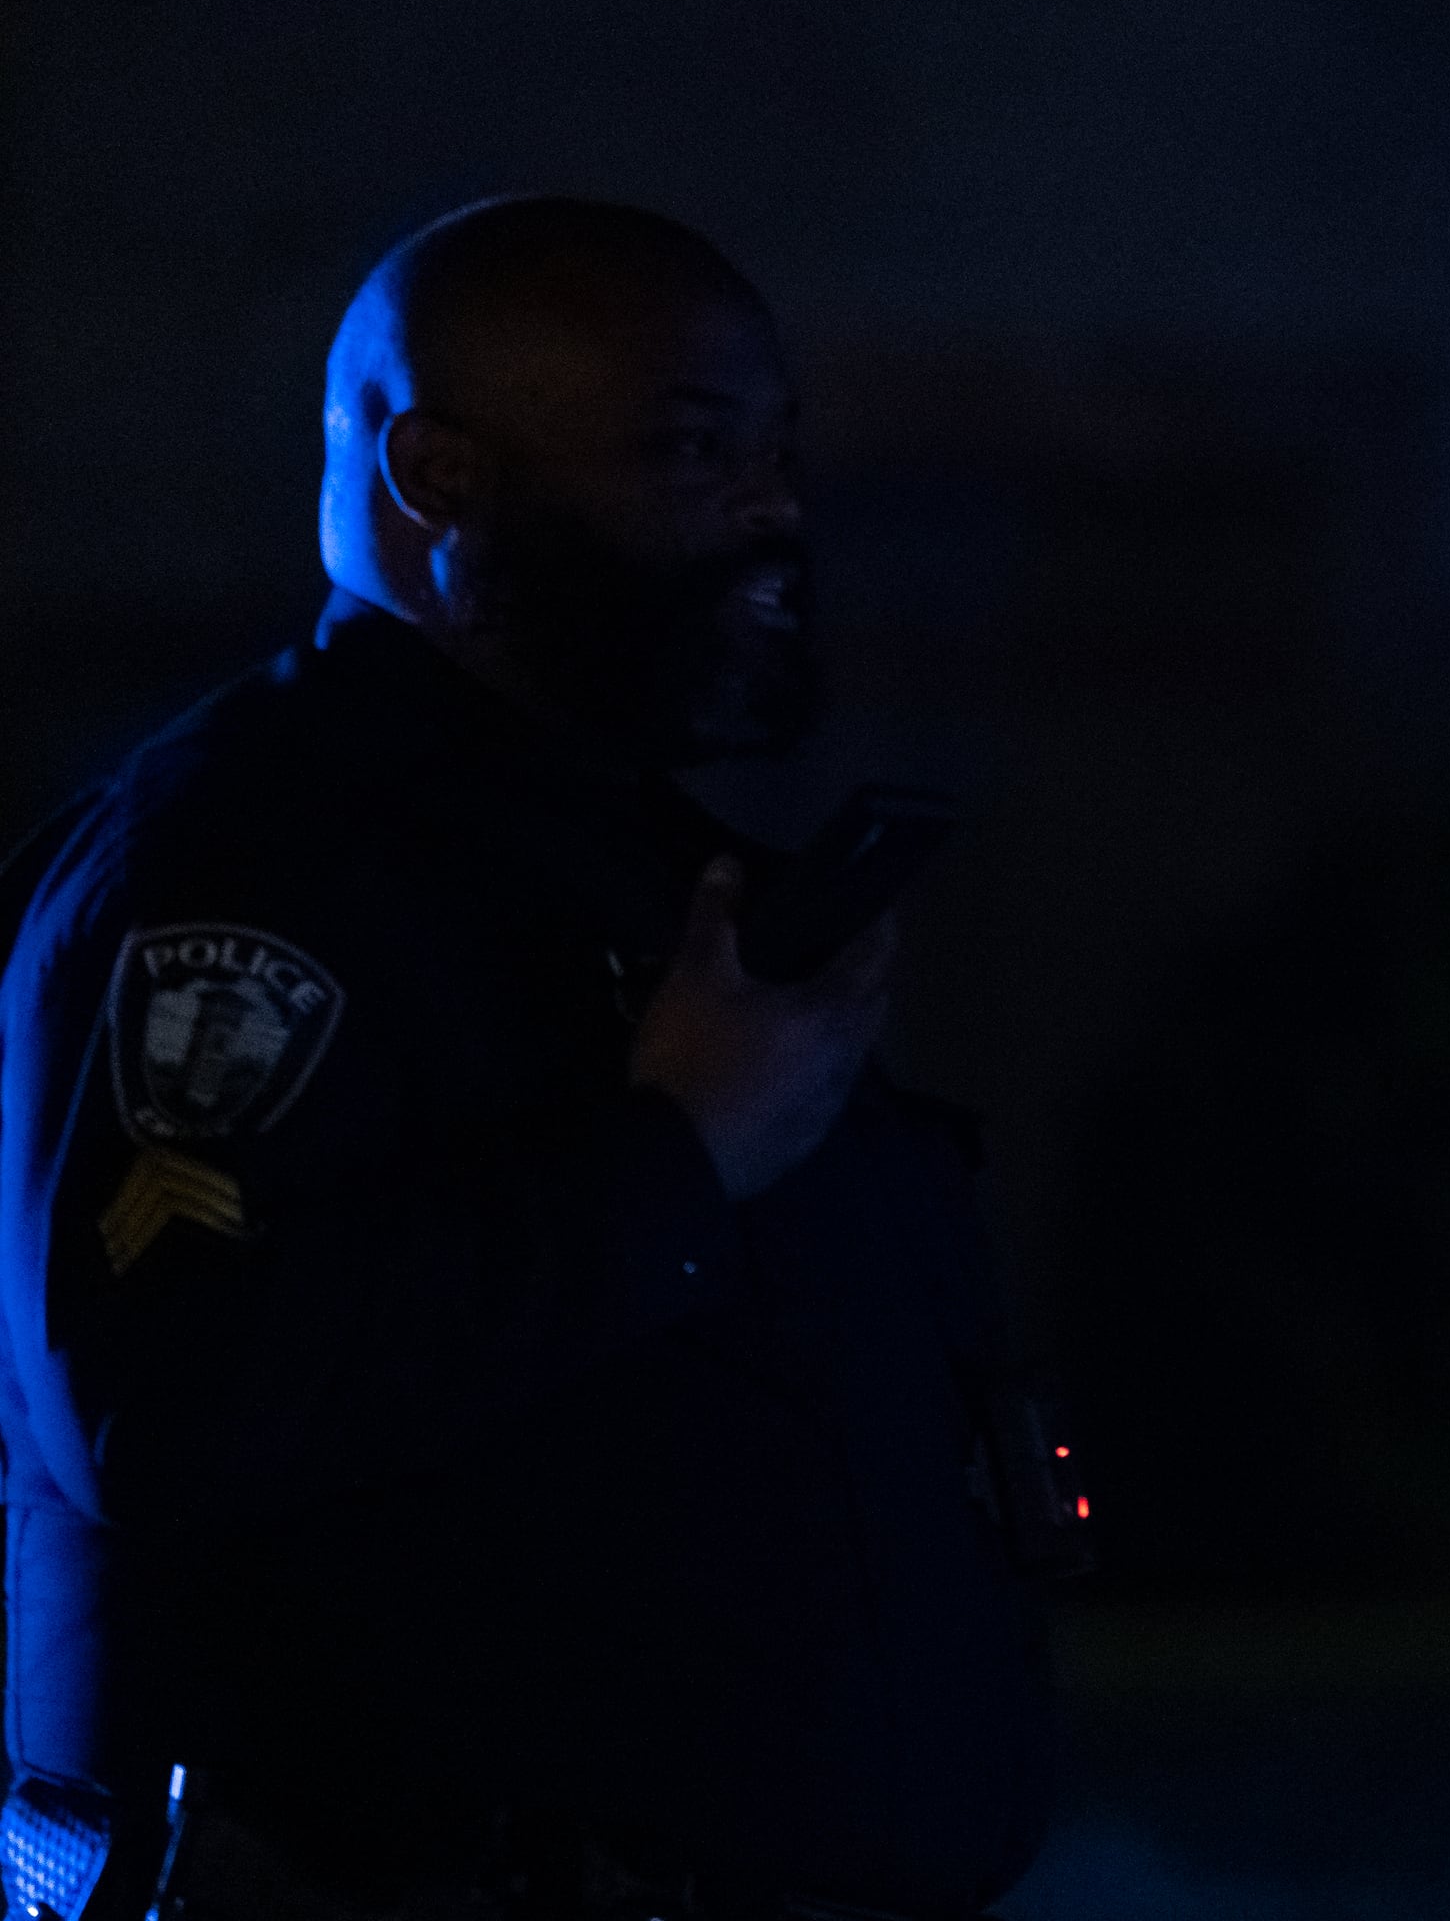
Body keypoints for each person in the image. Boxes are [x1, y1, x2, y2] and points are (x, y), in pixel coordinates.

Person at [0, 199, 1057, 1919]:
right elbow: (162, 1396)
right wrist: (677, 1156)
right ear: (438, 475)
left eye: (777, 448)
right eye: (689, 449)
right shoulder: (254, 865)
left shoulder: (607, 859)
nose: (772, 509)